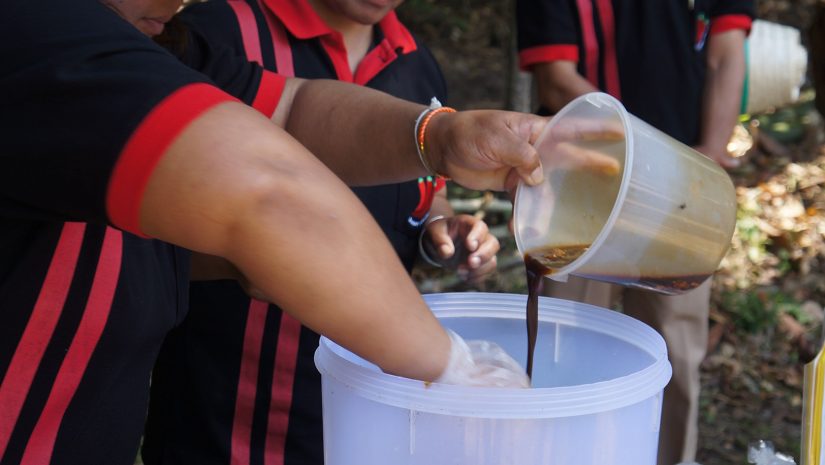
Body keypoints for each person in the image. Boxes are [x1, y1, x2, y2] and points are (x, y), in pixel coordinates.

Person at [0, 0, 629, 462]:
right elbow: (267, 190)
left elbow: (288, 110)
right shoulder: (37, 30)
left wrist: (438, 137)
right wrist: (461, 373)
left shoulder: (166, 44)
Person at [140, 1, 499, 464]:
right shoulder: (220, 33)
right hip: (219, 414)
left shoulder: (415, 64)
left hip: (357, 412)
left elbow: (428, 190)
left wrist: (438, 225)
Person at [516, 2, 753, 464]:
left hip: (683, 184)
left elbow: (727, 53)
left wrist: (708, 155)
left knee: (672, 355)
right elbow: (556, 77)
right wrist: (636, 157)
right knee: (567, 347)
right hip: (576, 180)